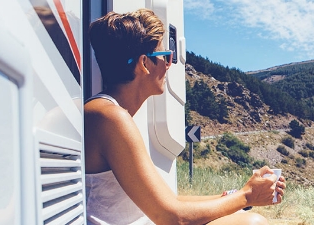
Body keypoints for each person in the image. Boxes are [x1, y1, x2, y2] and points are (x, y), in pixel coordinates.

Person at [84, 9, 286, 225]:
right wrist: (246, 195)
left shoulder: (109, 114)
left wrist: (235, 197)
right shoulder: (111, 118)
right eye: (165, 57)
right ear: (144, 64)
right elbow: (173, 217)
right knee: (252, 223)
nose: (169, 65)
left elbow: (169, 202)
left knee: (243, 216)